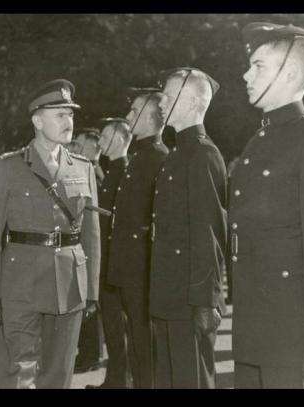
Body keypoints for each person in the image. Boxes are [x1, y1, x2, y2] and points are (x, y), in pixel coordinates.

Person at [0, 79, 101, 388]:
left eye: (70, 114)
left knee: (58, 373)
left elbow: (91, 235)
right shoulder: (8, 167)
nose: (69, 121)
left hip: (69, 285)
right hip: (21, 284)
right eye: (60, 115)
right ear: (37, 120)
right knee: (18, 372)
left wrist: (91, 290)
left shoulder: (83, 168)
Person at [229, 22, 304, 389]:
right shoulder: (259, 139)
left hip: (292, 337)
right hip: (253, 329)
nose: (246, 75)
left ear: (289, 73)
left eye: (258, 66)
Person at [150, 67, 227, 389]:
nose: (161, 103)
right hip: (170, 292)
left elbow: (210, 233)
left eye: (169, 96)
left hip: (189, 297)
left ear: (194, 102)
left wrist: (206, 301)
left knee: (190, 380)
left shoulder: (202, 154)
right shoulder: (179, 153)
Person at [105, 89, 170, 389]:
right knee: (138, 343)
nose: (128, 116)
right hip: (131, 269)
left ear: (151, 116)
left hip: (144, 270)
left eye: (134, 111)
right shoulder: (141, 157)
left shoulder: (159, 158)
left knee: (146, 346)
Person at [83, 117, 134, 389]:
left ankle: (120, 382)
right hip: (106, 261)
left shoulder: (124, 172)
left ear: (119, 139)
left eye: (104, 137)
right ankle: (115, 380)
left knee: (118, 327)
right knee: (113, 327)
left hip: (115, 264)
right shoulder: (112, 171)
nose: (100, 142)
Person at [71, 126, 106, 374]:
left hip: (93, 245)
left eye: (79, 144)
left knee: (90, 302)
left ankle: (90, 354)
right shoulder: (86, 169)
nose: (75, 148)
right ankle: (88, 352)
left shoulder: (94, 171)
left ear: (94, 146)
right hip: (84, 244)